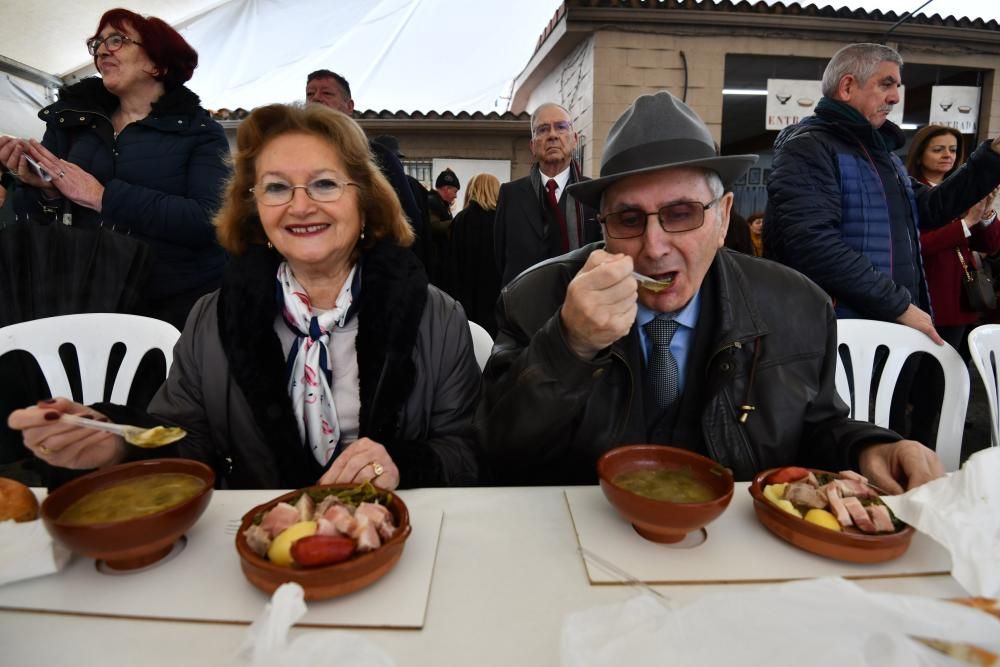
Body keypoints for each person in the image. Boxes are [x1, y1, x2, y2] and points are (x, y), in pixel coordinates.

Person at [477, 90, 944, 493]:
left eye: (682, 214)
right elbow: (498, 452)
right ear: (602, 227)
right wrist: (568, 345)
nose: (654, 248)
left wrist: (869, 447)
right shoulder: (534, 299)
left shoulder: (797, 306)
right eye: (628, 219)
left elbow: (816, 425)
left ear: (723, 218)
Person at [7, 103, 481, 490]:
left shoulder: (435, 316)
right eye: (276, 187)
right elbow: (186, 441)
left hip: (401, 552)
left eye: (324, 183)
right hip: (254, 555)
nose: (299, 205)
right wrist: (115, 442)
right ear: (255, 211)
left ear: (366, 200)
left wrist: (401, 464)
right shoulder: (215, 317)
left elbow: (466, 450)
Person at [0, 8, 230, 330]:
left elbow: (210, 221)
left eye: (117, 40)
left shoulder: (200, 132)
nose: (103, 50)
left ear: (157, 64)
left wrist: (102, 197)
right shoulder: (71, 122)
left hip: (173, 308)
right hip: (83, 297)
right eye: (98, 43)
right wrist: (45, 191)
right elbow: (39, 226)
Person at [765, 43, 1000, 341]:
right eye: (886, 84)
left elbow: (931, 207)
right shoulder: (809, 148)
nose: (896, 97)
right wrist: (899, 304)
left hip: (885, 326)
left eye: (897, 86)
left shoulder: (884, 158)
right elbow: (812, 243)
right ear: (848, 86)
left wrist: (992, 156)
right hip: (839, 333)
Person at [305, 70, 427, 266]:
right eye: (310, 94)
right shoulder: (292, 157)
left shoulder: (378, 158)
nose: (316, 98)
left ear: (349, 106)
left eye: (327, 93)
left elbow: (407, 225)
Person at [906, 125, 1000, 352]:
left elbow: (991, 245)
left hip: (966, 297)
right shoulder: (911, 191)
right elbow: (920, 244)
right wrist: (965, 224)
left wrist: (985, 213)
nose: (948, 155)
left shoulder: (964, 189)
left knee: (958, 372)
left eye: (953, 149)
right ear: (920, 155)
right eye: (938, 149)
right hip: (930, 298)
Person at [493, 103, 601, 286]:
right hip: (523, 305)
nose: (552, 135)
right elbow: (499, 259)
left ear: (574, 139)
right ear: (533, 145)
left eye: (560, 127)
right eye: (542, 130)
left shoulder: (592, 192)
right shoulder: (510, 194)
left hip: (579, 303)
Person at [447, 173, 503, 337]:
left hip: (467, 297)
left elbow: (454, 264)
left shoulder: (461, 220)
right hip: (496, 296)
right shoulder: (502, 220)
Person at [427, 168, 459, 287]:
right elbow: (434, 226)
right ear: (446, 189)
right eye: (455, 192)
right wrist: (457, 221)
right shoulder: (432, 202)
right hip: (436, 260)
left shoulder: (440, 203)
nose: (455, 196)